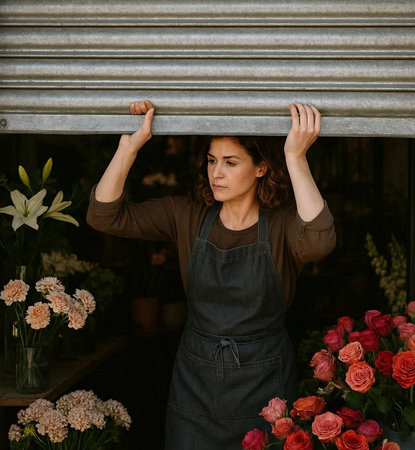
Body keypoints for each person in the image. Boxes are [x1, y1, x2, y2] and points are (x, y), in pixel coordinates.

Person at [87, 100, 336, 449]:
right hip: (195, 387)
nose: (216, 173)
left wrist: (296, 157)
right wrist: (128, 149)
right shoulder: (186, 215)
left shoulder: (282, 225)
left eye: (230, 162)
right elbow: (104, 216)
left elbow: (320, 241)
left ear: (261, 167)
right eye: (212, 160)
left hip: (265, 387)